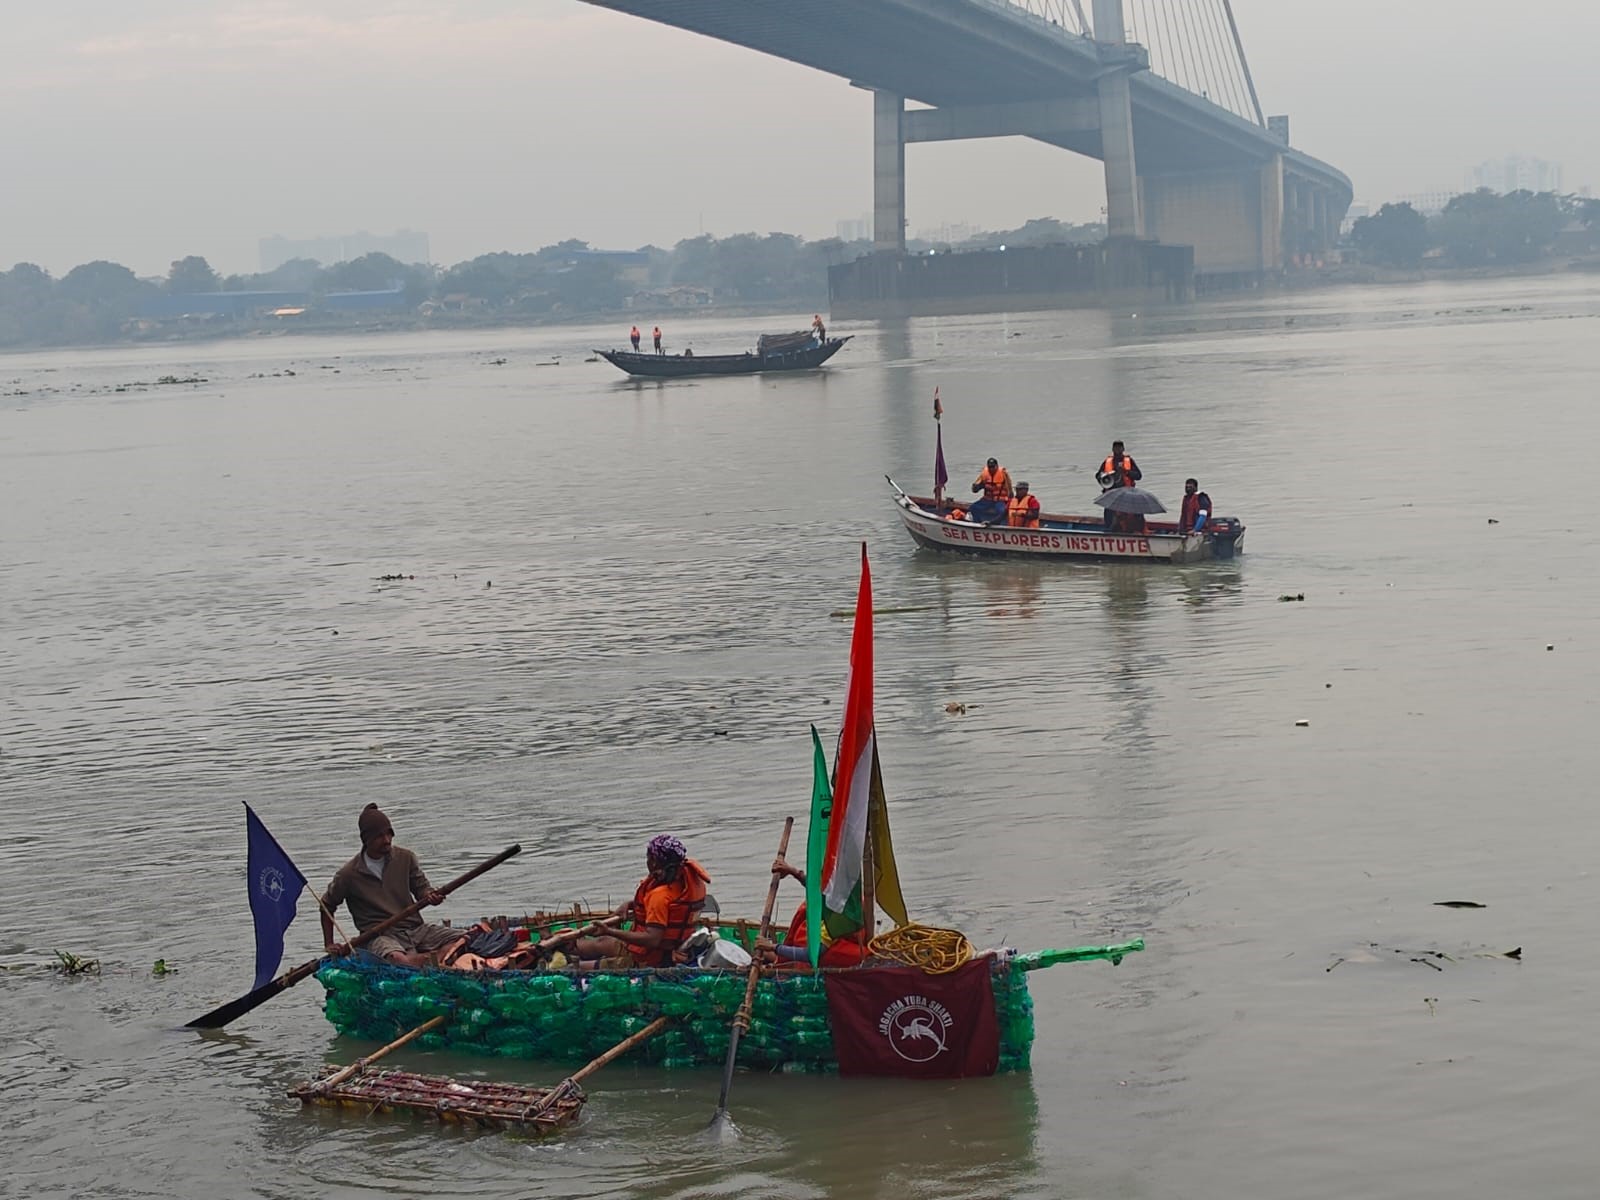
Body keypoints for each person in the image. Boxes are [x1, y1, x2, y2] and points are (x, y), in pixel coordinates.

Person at [321, 804, 451, 968]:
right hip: (380, 937)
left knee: (466, 938)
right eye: (379, 836)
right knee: (397, 959)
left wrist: (430, 895)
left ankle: (426, 960)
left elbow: (422, 889)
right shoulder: (348, 875)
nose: (386, 840)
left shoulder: (406, 858)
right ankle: (430, 961)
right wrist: (329, 943)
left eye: (389, 834)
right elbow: (326, 905)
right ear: (366, 840)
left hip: (414, 929)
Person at [568, 835, 711, 968]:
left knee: (577, 968)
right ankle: (566, 948)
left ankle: (570, 962)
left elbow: (652, 939)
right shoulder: (688, 882)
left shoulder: (659, 896)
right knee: (602, 943)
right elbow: (670, 907)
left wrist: (609, 931)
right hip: (669, 949)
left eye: (649, 858)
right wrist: (629, 904)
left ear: (654, 862)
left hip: (648, 958)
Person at [754, 857, 869, 969]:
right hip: (844, 945)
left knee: (803, 937)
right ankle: (776, 957)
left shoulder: (839, 917)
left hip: (842, 956)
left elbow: (811, 954)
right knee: (805, 913)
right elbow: (820, 892)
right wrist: (793, 872)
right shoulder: (846, 897)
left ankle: (777, 959)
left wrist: (773, 947)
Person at [1096, 440, 1141, 529]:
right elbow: (1098, 475)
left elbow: (1139, 476)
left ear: (1123, 449)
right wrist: (1105, 478)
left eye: (1119, 447)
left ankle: (1128, 530)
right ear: (1112, 449)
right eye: (1116, 447)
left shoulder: (1129, 461)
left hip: (1126, 494)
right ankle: (1109, 532)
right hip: (1111, 494)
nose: (1117, 450)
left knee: (1128, 516)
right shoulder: (1107, 462)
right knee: (1109, 518)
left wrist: (1126, 472)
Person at [969, 457, 1013, 525]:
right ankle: (978, 524)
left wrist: (1011, 500)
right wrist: (976, 487)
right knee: (973, 508)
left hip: (1000, 500)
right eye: (989, 467)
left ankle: (1001, 526)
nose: (991, 469)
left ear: (997, 466)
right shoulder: (984, 474)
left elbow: (1009, 488)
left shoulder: (1003, 473)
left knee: (1003, 511)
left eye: (993, 467)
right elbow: (976, 487)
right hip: (987, 499)